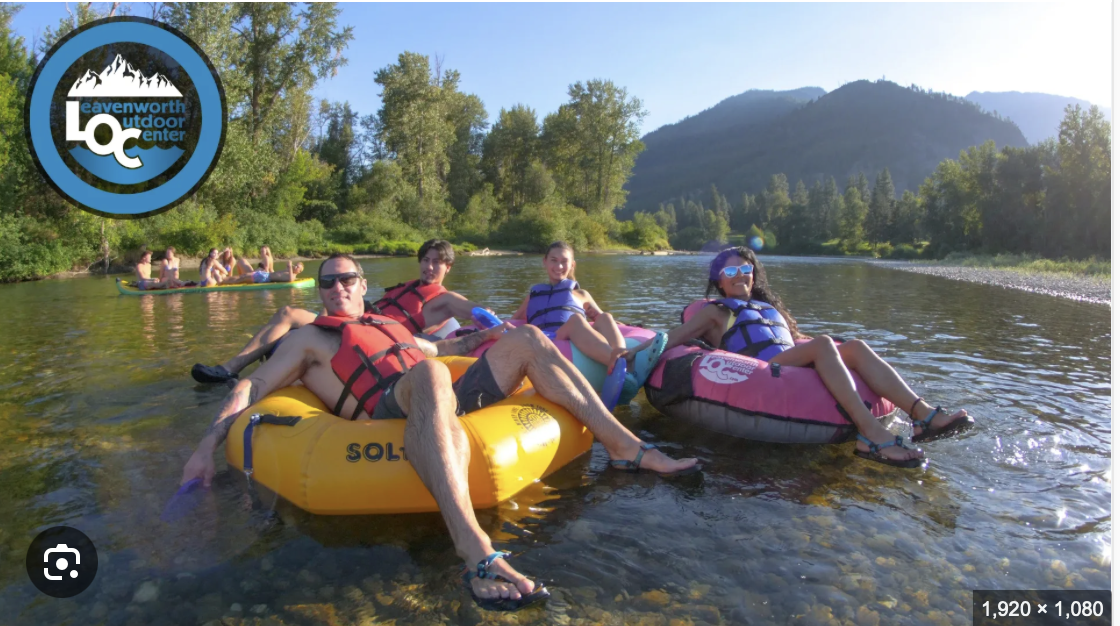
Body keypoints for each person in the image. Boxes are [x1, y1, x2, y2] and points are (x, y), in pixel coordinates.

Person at [180, 253, 699, 611]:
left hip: (438, 390)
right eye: (327, 283)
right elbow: (251, 386)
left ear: (363, 285)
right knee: (429, 376)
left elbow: (439, 350)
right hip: (388, 410)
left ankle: (626, 448)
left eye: (346, 280)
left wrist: (491, 335)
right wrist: (206, 446)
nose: (337, 289)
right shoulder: (308, 338)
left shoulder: (389, 324)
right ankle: (474, 551)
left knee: (529, 337)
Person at [650, 246, 974, 468]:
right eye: (731, 270)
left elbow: (793, 339)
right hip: (761, 368)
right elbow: (673, 338)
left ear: (753, 273)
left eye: (746, 268)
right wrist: (638, 351)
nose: (740, 274)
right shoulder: (716, 312)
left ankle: (923, 416)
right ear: (719, 279)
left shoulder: (767, 308)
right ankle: (870, 434)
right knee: (823, 344)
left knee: (856, 346)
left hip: (790, 361)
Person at [191, 240, 488, 384]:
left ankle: (233, 370)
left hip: (377, 337)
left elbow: (476, 311)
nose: (429, 266)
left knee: (289, 316)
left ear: (448, 267)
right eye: (425, 260)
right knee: (290, 315)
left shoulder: (444, 299)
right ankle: (237, 368)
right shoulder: (408, 287)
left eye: (437, 262)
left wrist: (498, 325)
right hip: (358, 322)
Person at [512, 241, 628, 373]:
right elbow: (513, 321)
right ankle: (618, 364)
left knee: (605, 317)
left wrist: (621, 325)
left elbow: (603, 320)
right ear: (545, 262)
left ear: (572, 265)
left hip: (575, 339)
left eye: (564, 261)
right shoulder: (534, 296)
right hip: (547, 339)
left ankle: (622, 355)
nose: (559, 266)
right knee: (576, 320)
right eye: (554, 260)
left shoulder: (582, 295)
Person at [219, 260, 305, 285]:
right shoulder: (289, 271)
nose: (295, 267)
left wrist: (289, 267)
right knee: (243, 275)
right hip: (265, 274)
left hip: (265, 278)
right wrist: (289, 267)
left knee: (242, 278)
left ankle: (222, 281)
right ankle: (224, 279)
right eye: (296, 265)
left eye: (298, 267)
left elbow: (290, 280)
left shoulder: (292, 275)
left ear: (300, 271)